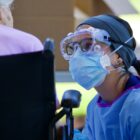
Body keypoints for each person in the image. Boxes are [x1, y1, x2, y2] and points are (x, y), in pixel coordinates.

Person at [60, 14, 140, 140]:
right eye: (74, 48)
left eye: (88, 45)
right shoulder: (94, 107)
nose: (77, 56)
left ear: (118, 57)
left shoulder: (137, 105)